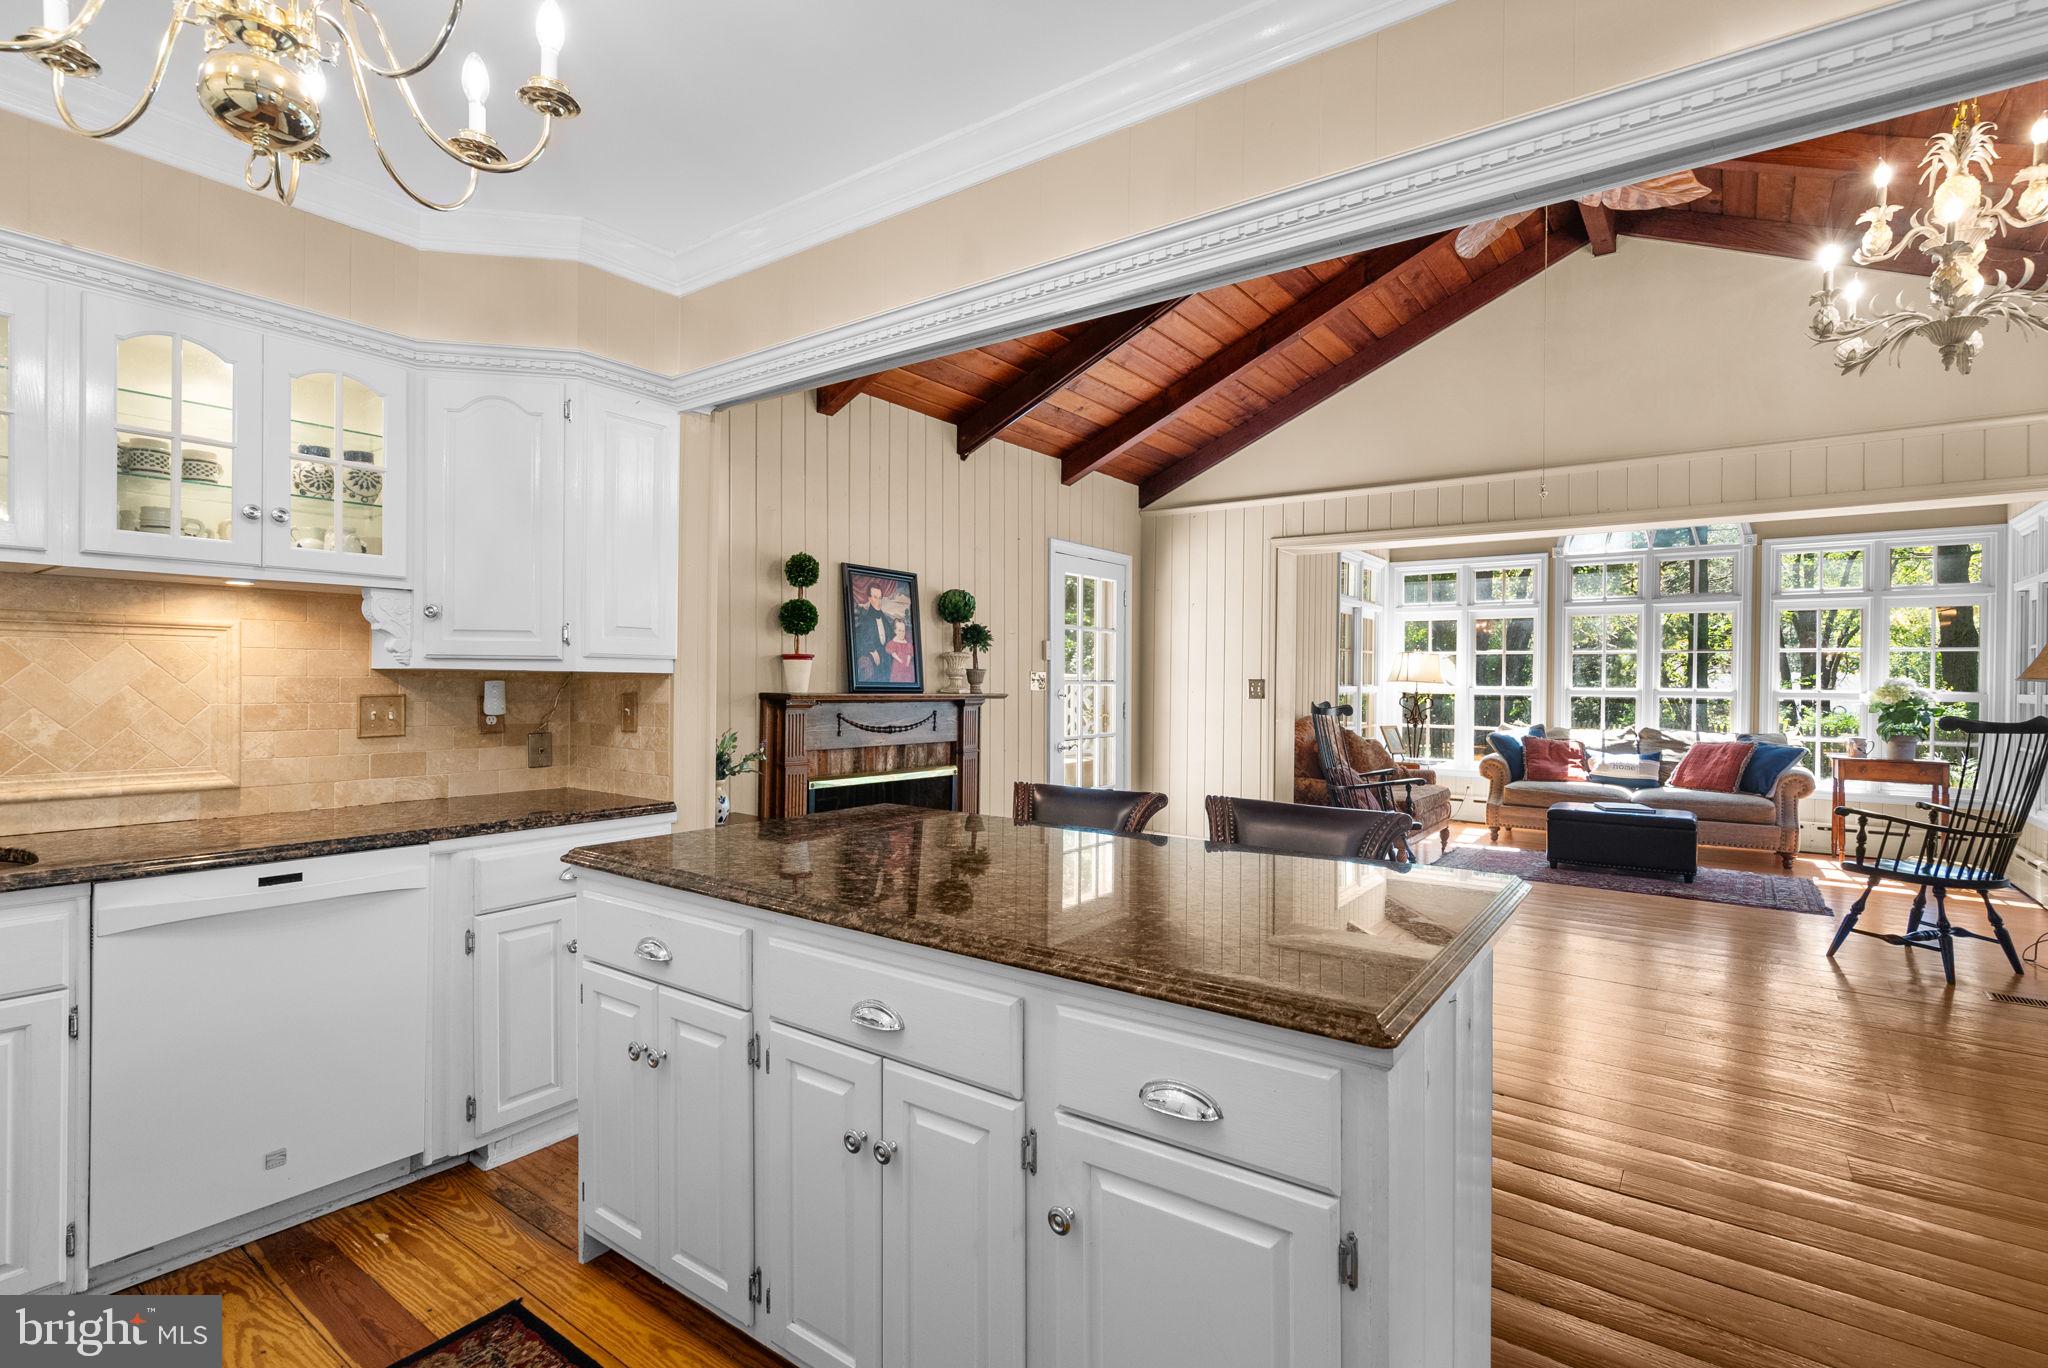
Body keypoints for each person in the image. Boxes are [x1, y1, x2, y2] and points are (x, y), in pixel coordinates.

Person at [853, 582, 891, 681]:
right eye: (875, 597)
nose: (878, 601)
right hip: (872, 658)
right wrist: (873, 652)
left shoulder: (885, 620)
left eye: (880, 598)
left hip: (886, 659)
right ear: (869, 598)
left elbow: (891, 636)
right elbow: (863, 640)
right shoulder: (865, 619)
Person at [886, 616, 916, 683]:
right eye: (899, 630)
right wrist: (899, 660)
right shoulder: (893, 642)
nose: (902, 633)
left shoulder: (907, 643)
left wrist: (907, 662)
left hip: (907, 667)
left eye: (903, 631)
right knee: (897, 680)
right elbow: (893, 653)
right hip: (898, 666)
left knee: (909, 679)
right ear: (895, 631)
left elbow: (909, 654)